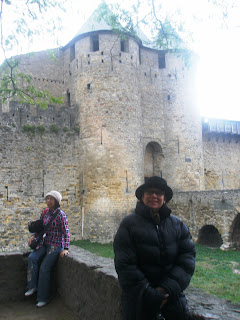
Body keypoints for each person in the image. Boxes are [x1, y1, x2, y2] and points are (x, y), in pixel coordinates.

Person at [113, 176, 196, 320]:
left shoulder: (177, 225)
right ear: (142, 196)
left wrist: (166, 289)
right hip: (139, 302)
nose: (154, 196)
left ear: (165, 198)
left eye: (159, 193)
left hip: (172, 300)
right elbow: (125, 264)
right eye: (149, 192)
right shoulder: (128, 224)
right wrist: (148, 293)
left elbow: (187, 259)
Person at [25, 190, 70, 308]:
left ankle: (43, 298)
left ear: (56, 201)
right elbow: (39, 227)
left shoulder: (61, 215)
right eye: (47, 198)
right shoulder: (45, 212)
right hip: (44, 243)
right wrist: (33, 236)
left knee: (45, 268)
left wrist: (65, 248)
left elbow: (66, 233)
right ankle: (32, 285)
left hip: (55, 246)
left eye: (51, 199)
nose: (48, 201)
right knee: (32, 258)